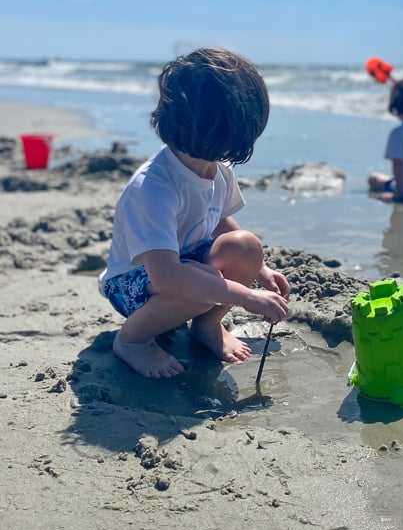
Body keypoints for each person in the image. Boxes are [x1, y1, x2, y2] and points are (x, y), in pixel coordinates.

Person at [99, 47, 290, 379]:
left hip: (183, 263)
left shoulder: (216, 168)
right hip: (134, 281)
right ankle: (132, 340)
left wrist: (260, 269)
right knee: (204, 285)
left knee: (246, 246)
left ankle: (207, 327)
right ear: (222, 133)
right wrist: (246, 297)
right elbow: (167, 276)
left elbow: (218, 220)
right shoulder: (155, 186)